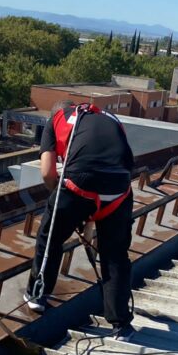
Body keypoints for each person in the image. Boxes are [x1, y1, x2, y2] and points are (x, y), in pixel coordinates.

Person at [24, 100, 136, 340]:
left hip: (79, 182)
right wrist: (87, 217)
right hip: (119, 188)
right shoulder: (111, 118)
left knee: (50, 237)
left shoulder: (56, 120)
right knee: (115, 254)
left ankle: (37, 295)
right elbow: (121, 165)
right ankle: (120, 324)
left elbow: (47, 173)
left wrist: (65, 205)